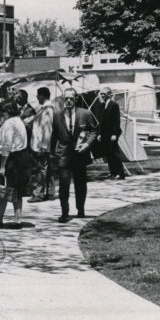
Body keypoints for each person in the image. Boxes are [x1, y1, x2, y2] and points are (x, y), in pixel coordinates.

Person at [50, 88, 97, 223]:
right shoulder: (57, 115)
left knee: (80, 184)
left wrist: (87, 144)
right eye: (66, 99)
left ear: (76, 99)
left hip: (80, 155)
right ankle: (65, 212)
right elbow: (54, 136)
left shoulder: (85, 113)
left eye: (71, 98)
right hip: (64, 155)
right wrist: (52, 154)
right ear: (63, 100)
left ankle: (80, 209)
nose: (69, 101)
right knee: (64, 185)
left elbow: (94, 131)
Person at [0, 99, 29, 229]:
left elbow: (7, 144)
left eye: (3, 112)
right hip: (21, 157)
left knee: (2, 189)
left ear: (7, 112)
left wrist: (2, 166)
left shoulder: (9, 124)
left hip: (9, 158)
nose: (1, 115)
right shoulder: (18, 121)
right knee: (16, 190)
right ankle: (17, 219)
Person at [91, 85, 128, 179]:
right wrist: (99, 134)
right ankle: (113, 172)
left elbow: (116, 121)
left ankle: (120, 173)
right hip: (104, 134)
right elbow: (100, 122)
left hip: (112, 134)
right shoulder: (102, 105)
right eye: (101, 94)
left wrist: (114, 134)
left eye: (104, 94)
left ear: (109, 94)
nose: (102, 96)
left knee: (115, 153)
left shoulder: (114, 105)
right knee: (108, 154)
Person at [28, 86, 55, 202]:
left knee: (40, 170)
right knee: (47, 169)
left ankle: (38, 194)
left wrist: (43, 146)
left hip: (40, 145)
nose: (37, 97)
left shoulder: (48, 109)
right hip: (40, 144)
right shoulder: (43, 108)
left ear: (43, 95)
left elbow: (47, 129)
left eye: (38, 95)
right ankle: (50, 192)